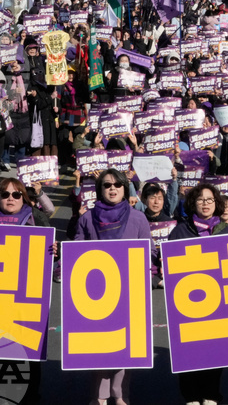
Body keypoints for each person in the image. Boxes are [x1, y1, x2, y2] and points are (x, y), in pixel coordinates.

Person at [75, 168, 152, 405]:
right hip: (95, 293)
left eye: (117, 185)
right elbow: (76, 253)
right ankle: (99, 395)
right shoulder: (86, 218)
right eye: (107, 185)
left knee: (125, 348)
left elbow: (149, 253)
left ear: (124, 188)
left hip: (130, 292)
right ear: (100, 189)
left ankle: (121, 395)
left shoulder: (139, 218)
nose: (112, 188)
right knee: (99, 346)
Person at [168, 182, 228, 405]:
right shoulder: (180, 230)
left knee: (217, 350)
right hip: (188, 302)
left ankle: (211, 394)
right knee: (189, 350)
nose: (205, 204)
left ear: (216, 204)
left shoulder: (227, 229)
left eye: (210, 200)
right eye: (200, 200)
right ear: (192, 204)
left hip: (219, 301)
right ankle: (192, 396)